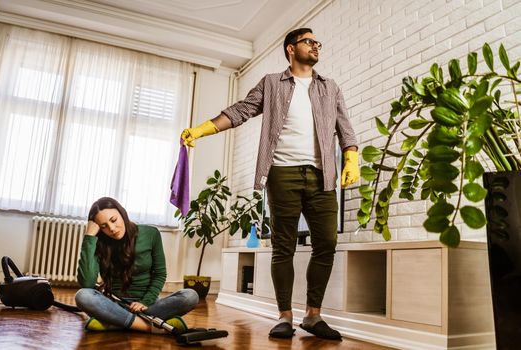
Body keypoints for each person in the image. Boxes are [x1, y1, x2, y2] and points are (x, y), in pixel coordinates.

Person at [181, 28, 359, 340]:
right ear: (291, 49)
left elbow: (345, 126)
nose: (316, 46)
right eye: (309, 41)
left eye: (318, 41)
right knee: (283, 247)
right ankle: (285, 317)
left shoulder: (330, 87)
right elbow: (241, 111)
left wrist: (351, 155)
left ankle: (313, 316)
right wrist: (203, 129)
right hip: (282, 173)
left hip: (322, 176)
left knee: (327, 243)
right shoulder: (272, 83)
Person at [75, 197, 199, 334]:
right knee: (83, 296)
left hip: (147, 306)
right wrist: (89, 237)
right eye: (103, 226)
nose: (111, 228)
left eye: (113, 220)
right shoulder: (98, 242)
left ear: (122, 213)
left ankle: (114, 322)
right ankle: (149, 326)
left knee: (190, 296)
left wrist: (146, 301)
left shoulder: (151, 234)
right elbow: (87, 283)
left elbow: (159, 274)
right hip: (115, 304)